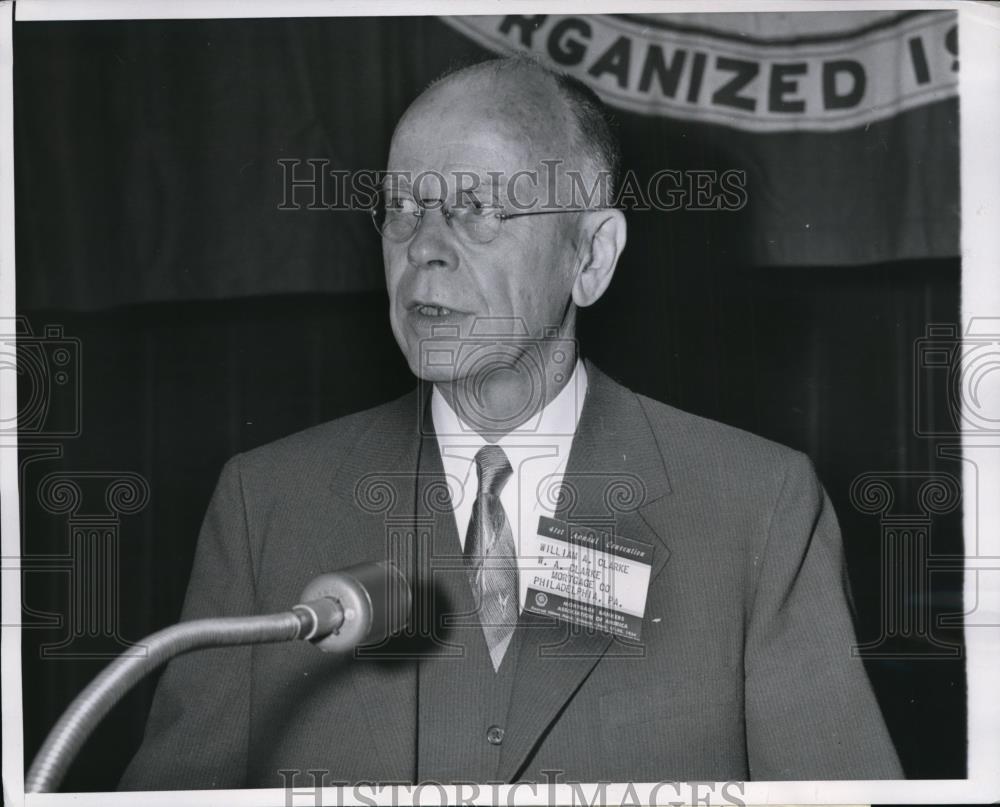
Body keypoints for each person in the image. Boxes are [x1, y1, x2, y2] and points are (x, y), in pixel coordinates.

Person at [119, 56, 903, 790]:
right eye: (400, 207)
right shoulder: (267, 504)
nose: (423, 246)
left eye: (479, 208)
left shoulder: (756, 508)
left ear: (591, 257)